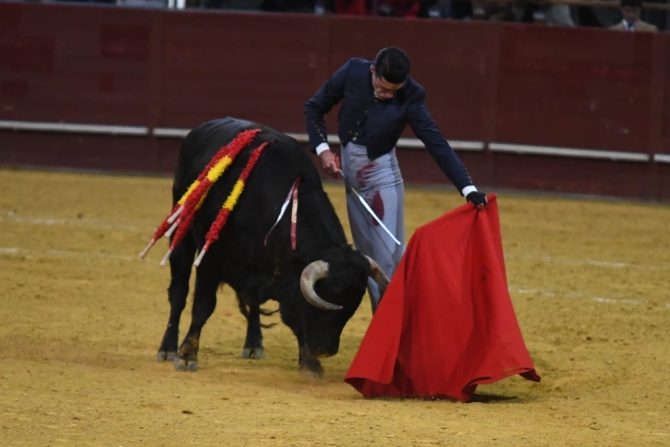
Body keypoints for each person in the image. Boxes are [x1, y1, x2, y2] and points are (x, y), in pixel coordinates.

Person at [304, 46, 488, 313]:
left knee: (388, 259)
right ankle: (385, 329)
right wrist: (322, 150)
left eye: (393, 90)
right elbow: (314, 107)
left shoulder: (412, 95)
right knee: (368, 262)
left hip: (382, 178)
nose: (387, 95)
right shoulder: (352, 71)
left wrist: (467, 188)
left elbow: (435, 141)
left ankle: (392, 333)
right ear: (372, 71)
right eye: (382, 87)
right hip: (352, 180)